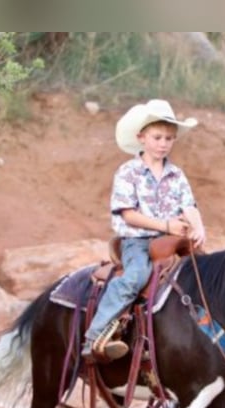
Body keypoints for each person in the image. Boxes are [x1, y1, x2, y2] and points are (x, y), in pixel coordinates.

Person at [82, 99, 207, 361]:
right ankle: (94, 336)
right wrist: (165, 225)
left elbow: (189, 205)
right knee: (136, 276)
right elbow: (128, 214)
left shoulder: (176, 174)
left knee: (206, 273)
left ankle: (200, 337)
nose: (163, 143)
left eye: (169, 138)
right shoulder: (129, 172)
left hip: (172, 240)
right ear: (142, 138)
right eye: (157, 137)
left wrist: (198, 227)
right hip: (138, 241)